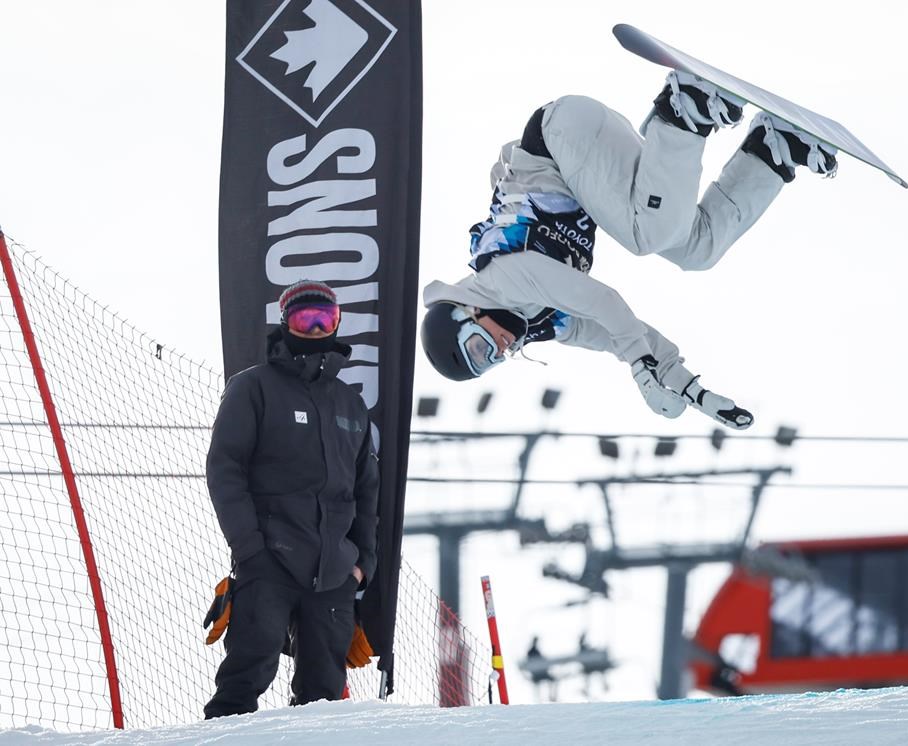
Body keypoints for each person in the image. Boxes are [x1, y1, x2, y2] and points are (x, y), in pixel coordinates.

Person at [420, 71, 838, 428]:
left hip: (561, 135)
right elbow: (619, 336)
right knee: (696, 249)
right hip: (590, 162)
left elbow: (603, 302)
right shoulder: (545, 322)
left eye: (481, 347)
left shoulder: (500, 278)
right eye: (491, 362)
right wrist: (687, 384)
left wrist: (642, 369)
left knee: (647, 234)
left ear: (466, 312)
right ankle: (774, 148)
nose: (500, 350)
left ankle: (684, 108)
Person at [204, 279, 379, 718]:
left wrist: (363, 565)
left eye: (327, 318)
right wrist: (250, 549)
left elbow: (365, 490)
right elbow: (225, 470)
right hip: (270, 561)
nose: (318, 328)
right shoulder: (253, 388)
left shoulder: (350, 405)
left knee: (324, 696)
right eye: (306, 318)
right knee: (245, 678)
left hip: (334, 572)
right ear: (286, 324)